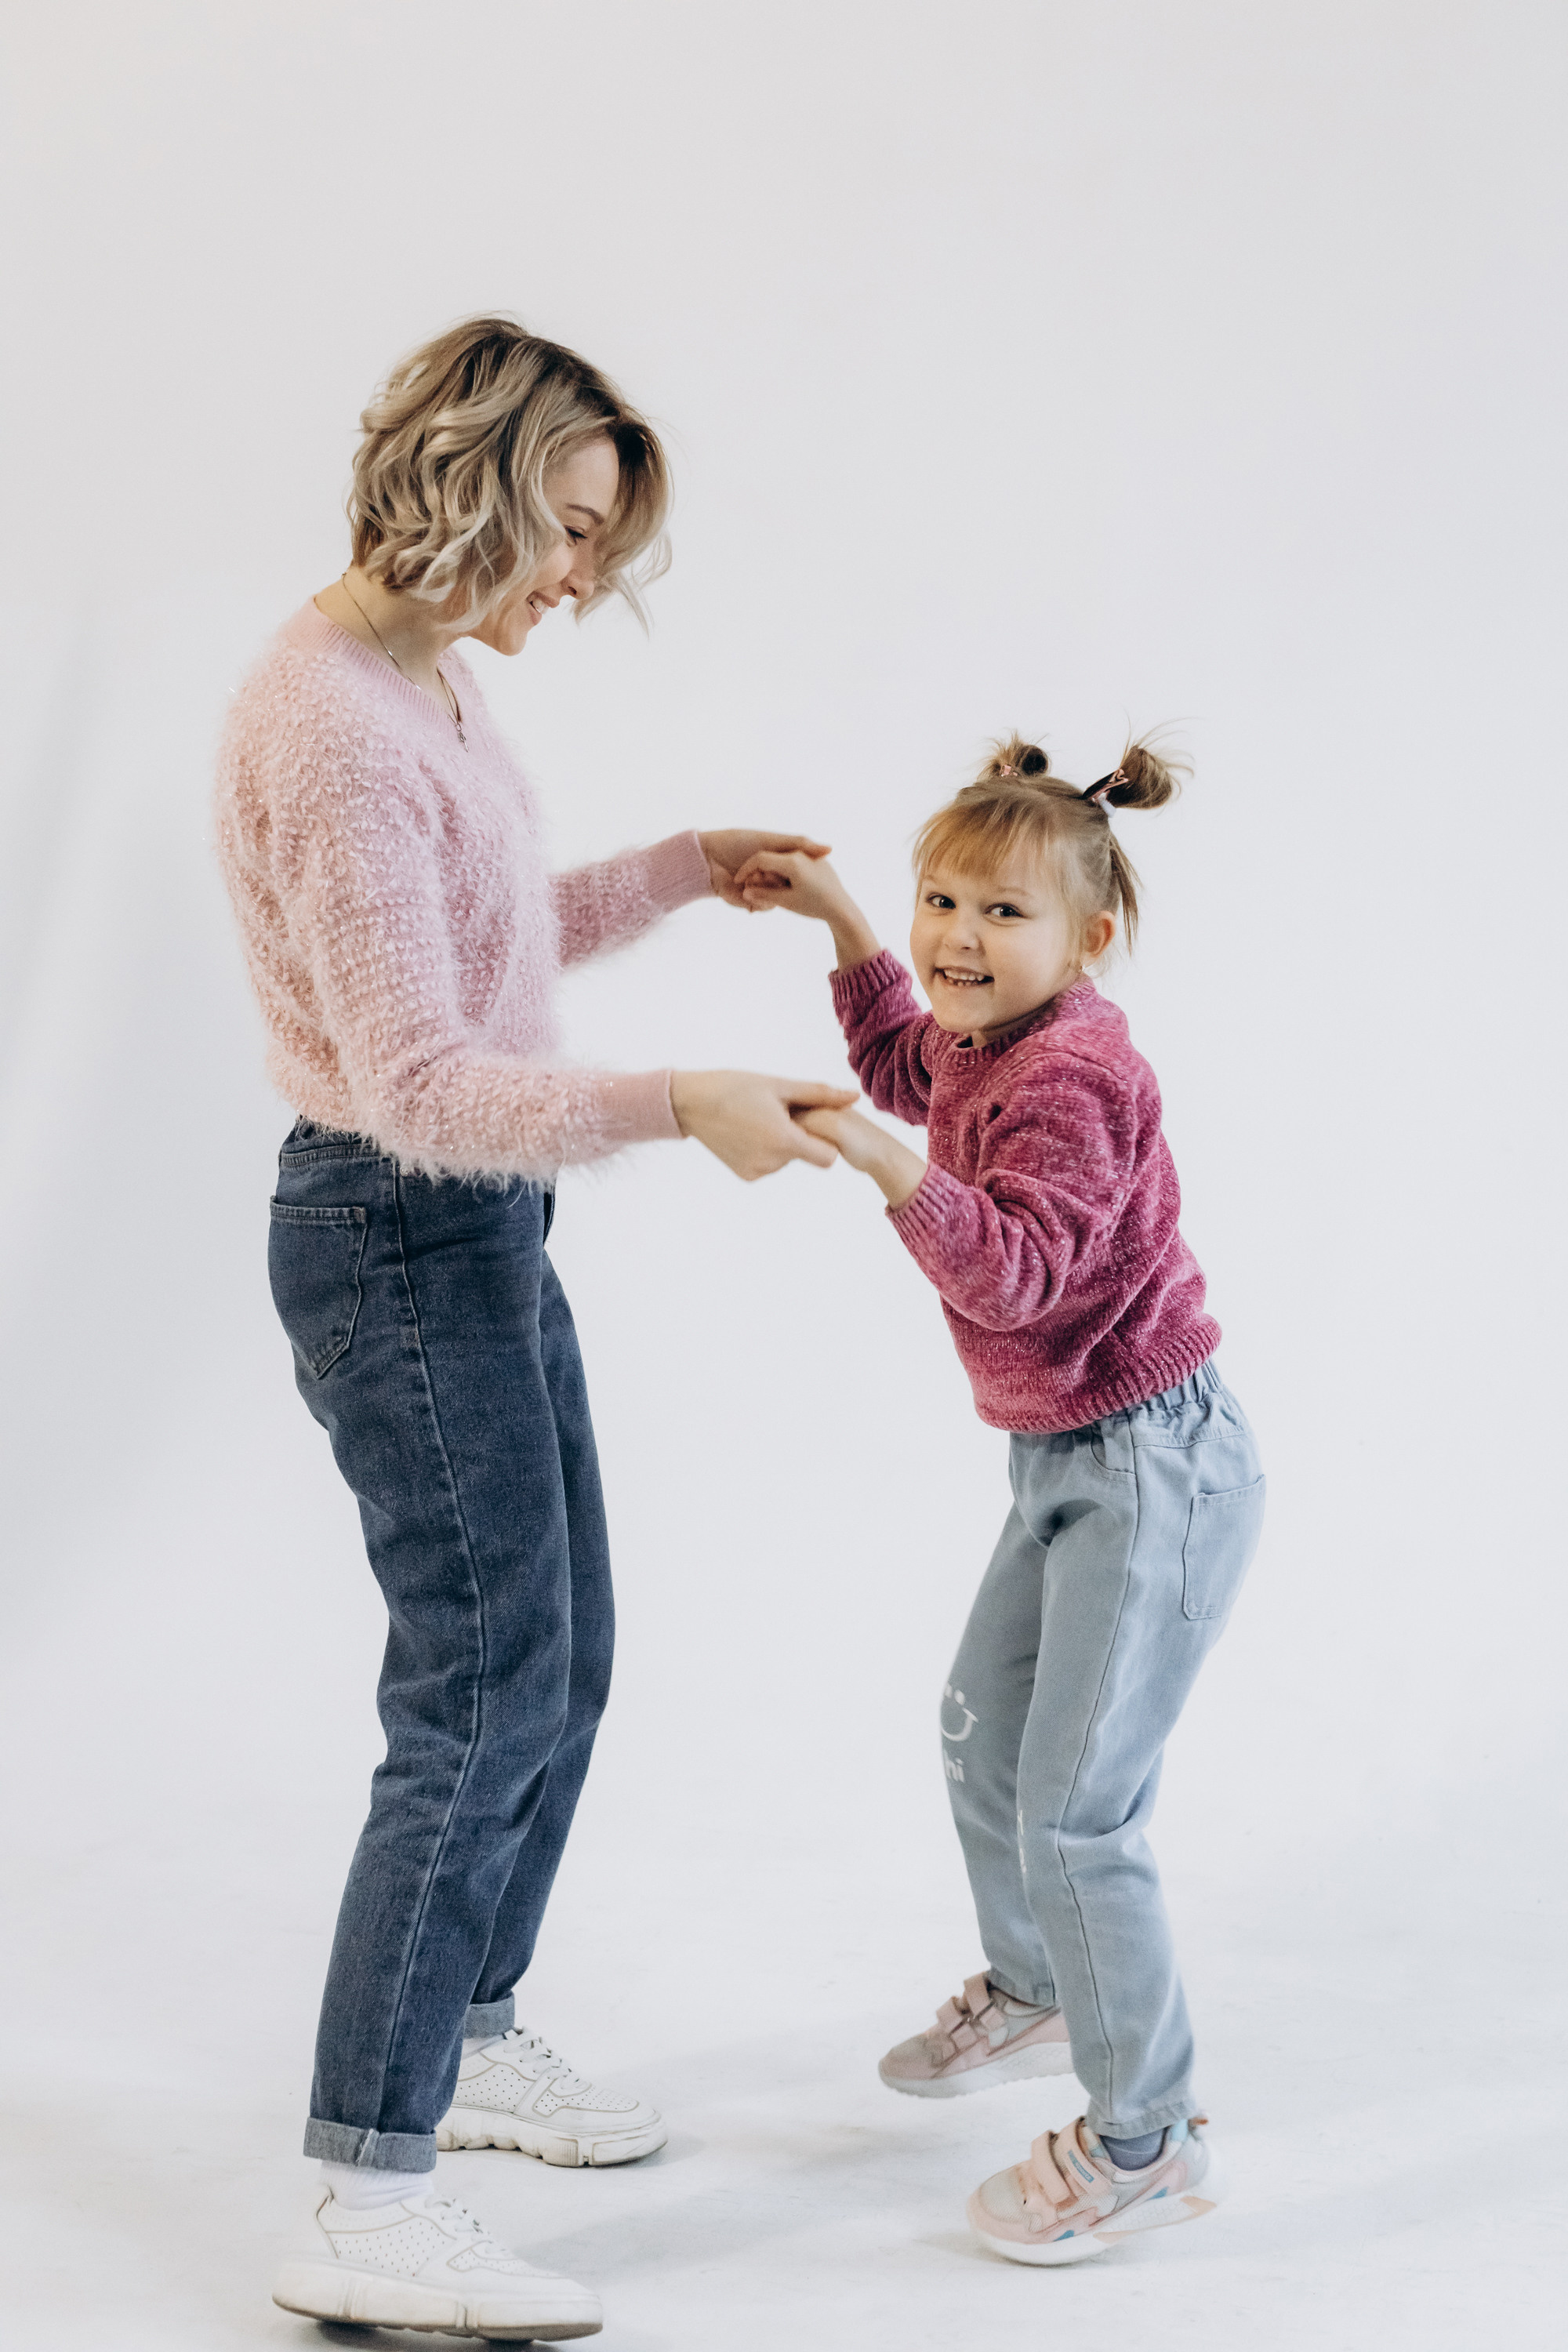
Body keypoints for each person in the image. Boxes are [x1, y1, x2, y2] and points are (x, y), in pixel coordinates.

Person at [213, 314, 855, 2341]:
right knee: (481, 1689)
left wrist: (682, 875)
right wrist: (690, 1103)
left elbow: (483, 941)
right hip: (401, 1227)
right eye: (570, 532)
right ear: (471, 483)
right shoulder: (326, 721)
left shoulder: (427, 690)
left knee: (561, 1661)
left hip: (474, 1233)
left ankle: (469, 2030)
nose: (581, 578)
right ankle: (363, 2188)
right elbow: (420, 1079)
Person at [734, 737, 1265, 2267]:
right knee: (984, 1736)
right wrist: (843, 926)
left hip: (1152, 1468)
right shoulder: (984, 1034)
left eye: (1002, 914)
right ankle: (1037, 1987)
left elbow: (1019, 1269)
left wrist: (880, 1171)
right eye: (939, 900)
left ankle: (1147, 2140)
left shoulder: (1080, 1074)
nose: (957, 939)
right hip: (1060, 1462)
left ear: (1090, 940)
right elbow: (913, 1066)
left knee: (1080, 1816)